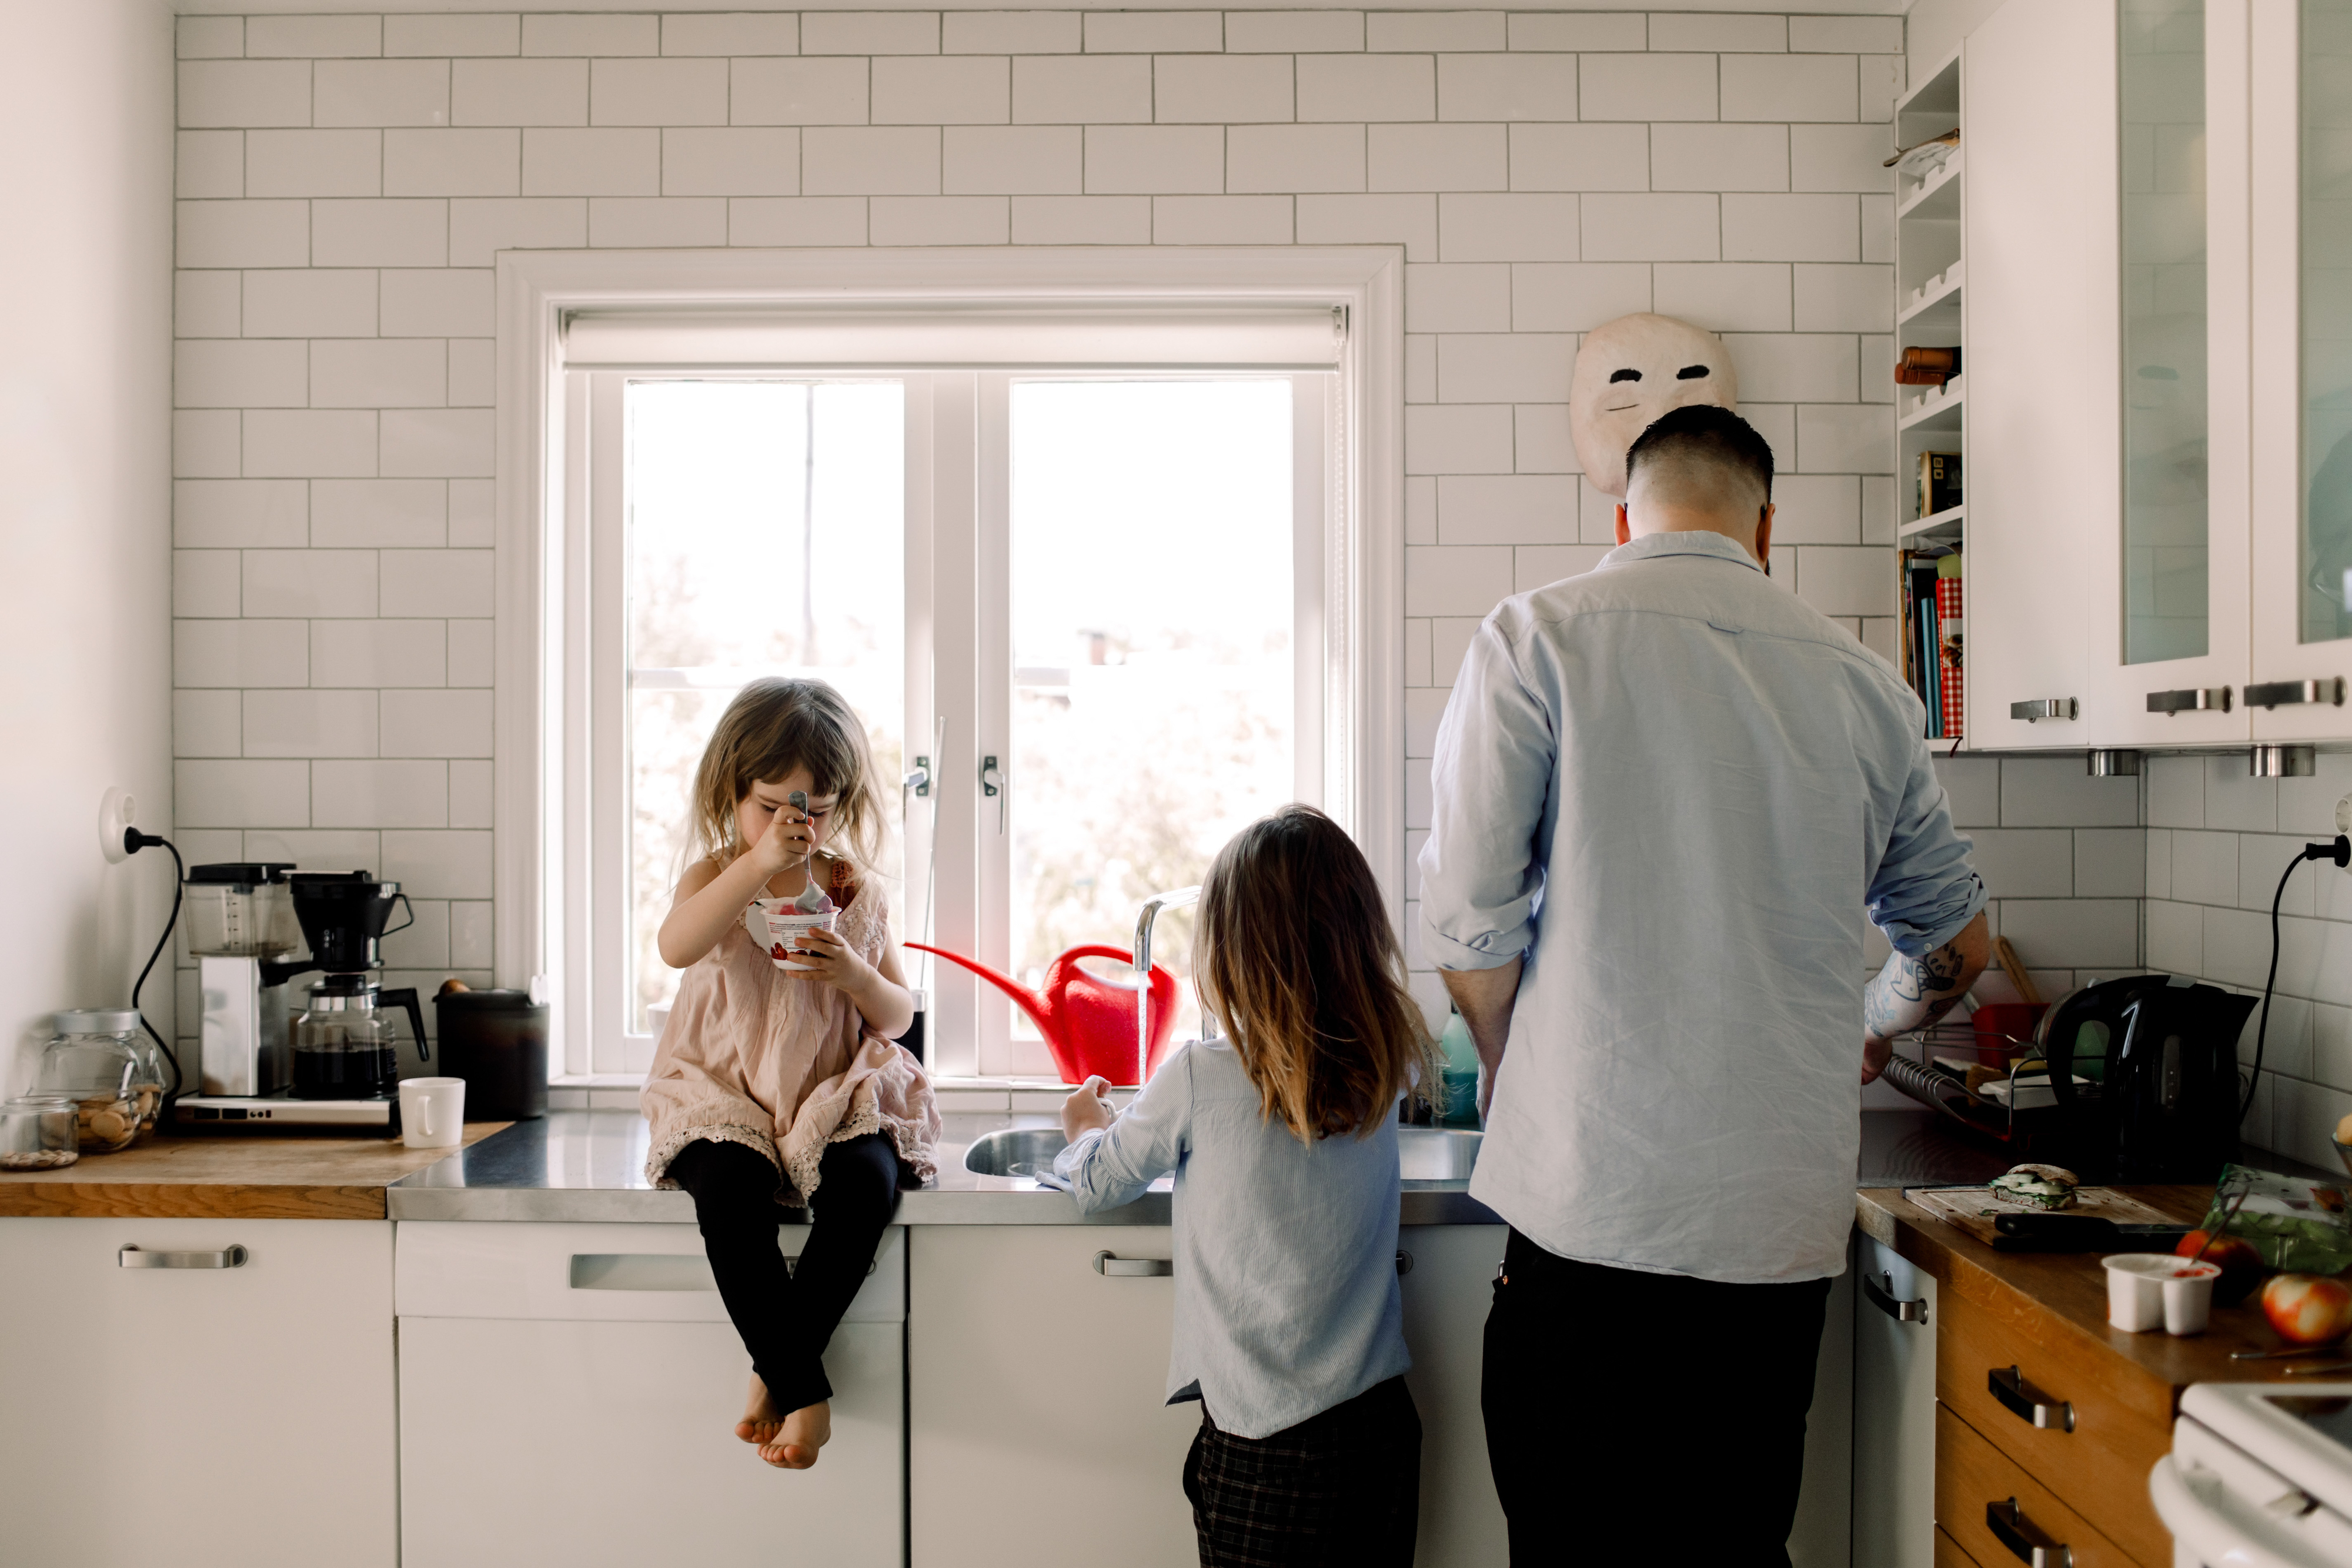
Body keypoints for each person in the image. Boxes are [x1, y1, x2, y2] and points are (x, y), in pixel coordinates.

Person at [1420, 404, 1989, 1565]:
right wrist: (1866, 1022)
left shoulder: (1539, 637)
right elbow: (1957, 945)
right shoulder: (1866, 686)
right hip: (1768, 1236)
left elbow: (1469, 930)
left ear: (1622, 514)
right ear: (1765, 528)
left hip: (1587, 1212)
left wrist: (1516, 1062)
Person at [1054, 805, 1441, 1568]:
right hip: (1379, 1433)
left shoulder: (1202, 1076)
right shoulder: (1386, 1065)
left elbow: (1099, 1183)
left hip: (1265, 1451)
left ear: (1232, 957)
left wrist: (1082, 1126)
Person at [641, 677, 939, 1470]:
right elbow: (675, 946)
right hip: (722, 1089)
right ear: (731, 792)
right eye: (771, 806)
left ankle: (773, 1373)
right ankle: (806, 1392)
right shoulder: (715, 877)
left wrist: (852, 975)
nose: (792, 826)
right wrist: (759, 863)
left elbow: (897, 1016)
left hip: (827, 1089)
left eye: (814, 811)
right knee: (729, 1196)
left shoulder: (852, 891)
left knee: (865, 1190)